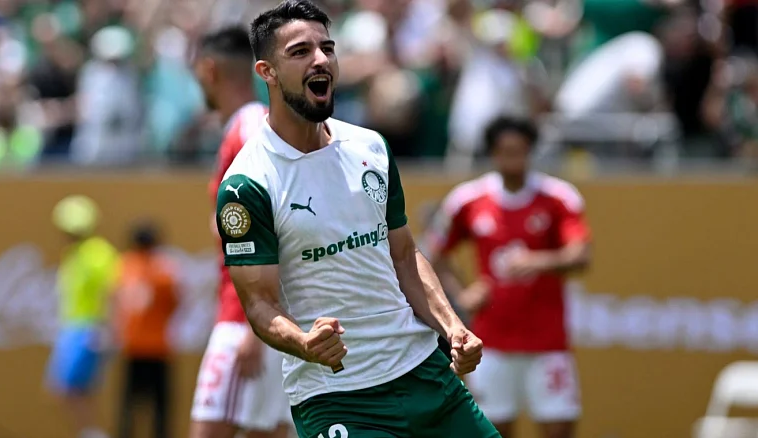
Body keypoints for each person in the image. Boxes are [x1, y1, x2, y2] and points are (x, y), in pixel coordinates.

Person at [214, 1, 499, 437]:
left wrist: (452, 327)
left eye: (327, 48)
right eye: (300, 51)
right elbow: (259, 304)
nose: (320, 60)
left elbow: (404, 255)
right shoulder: (247, 184)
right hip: (337, 396)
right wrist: (305, 343)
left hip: (424, 374)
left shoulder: (371, 148)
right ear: (266, 72)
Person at [422, 117, 592, 438]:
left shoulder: (558, 197)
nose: (512, 160)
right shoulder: (468, 199)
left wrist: (539, 261)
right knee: (493, 431)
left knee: (559, 429)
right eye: (505, 151)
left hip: (547, 341)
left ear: (530, 151)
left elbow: (581, 254)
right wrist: (462, 294)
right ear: (493, 153)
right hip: (491, 343)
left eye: (519, 151)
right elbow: (433, 253)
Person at [189, 24, 290, 438]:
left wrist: (255, 324)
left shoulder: (248, 126)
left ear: (209, 69)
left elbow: (275, 214)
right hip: (263, 317)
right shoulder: (249, 125)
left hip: (243, 318)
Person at [46, 195, 119, 438]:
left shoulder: (99, 252)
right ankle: (90, 432)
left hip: (89, 329)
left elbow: (112, 291)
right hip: (72, 328)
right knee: (71, 388)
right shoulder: (73, 253)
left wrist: (106, 327)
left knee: (73, 388)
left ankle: (93, 433)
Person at [114, 222, 178, 438]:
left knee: (129, 406)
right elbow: (173, 303)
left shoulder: (125, 266)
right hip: (157, 346)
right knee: (160, 407)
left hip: (133, 345)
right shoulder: (163, 270)